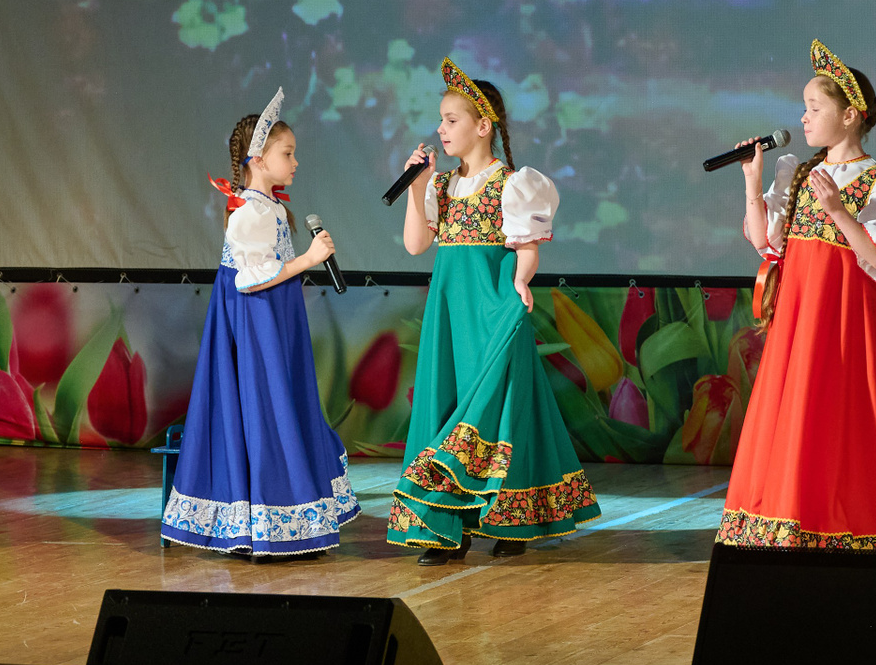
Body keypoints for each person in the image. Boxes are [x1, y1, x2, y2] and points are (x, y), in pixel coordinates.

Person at [386, 57, 599, 564]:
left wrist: (521, 281)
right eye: (440, 121)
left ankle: (510, 520)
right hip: (451, 316)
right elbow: (416, 244)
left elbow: (526, 247)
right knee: (447, 402)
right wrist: (416, 189)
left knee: (502, 410)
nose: (441, 130)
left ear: (483, 126)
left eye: (451, 120)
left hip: (495, 313)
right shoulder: (440, 185)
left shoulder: (511, 183)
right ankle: (446, 526)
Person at [717, 39, 876, 550]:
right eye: (804, 107)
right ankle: (789, 520)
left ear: (850, 115)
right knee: (795, 416)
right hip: (800, 321)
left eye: (814, 107)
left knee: (842, 419)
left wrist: (838, 212)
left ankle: (846, 526)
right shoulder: (798, 172)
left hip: (847, 324)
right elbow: (766, 242)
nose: (804, 118)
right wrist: (752, 181)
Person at [160, 88, 358, 557]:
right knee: (264, 408)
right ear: (259, 158)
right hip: (256, 322)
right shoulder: (250, 212)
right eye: (287, 153)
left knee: (281, 404)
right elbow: (248, 280)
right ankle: (265, 522)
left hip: (276, 316)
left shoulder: (270, 208)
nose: (295, 162)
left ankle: (285, 518)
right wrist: (308, 259)